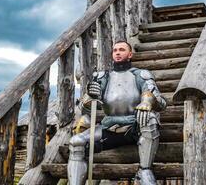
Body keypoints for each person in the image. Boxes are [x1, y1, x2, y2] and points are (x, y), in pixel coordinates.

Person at [67, 41, 167, 185]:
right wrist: (90, 97)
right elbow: (85, 108)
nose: (118, 52)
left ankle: (145, 170)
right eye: (115, 50)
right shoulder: (102, 77)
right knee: (76, 141)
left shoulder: (141, 75)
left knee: (150, 118)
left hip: (135, 126)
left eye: (122, 50)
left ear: (130, 54)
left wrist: (147, 101)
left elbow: (160, 102)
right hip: (109, 127)